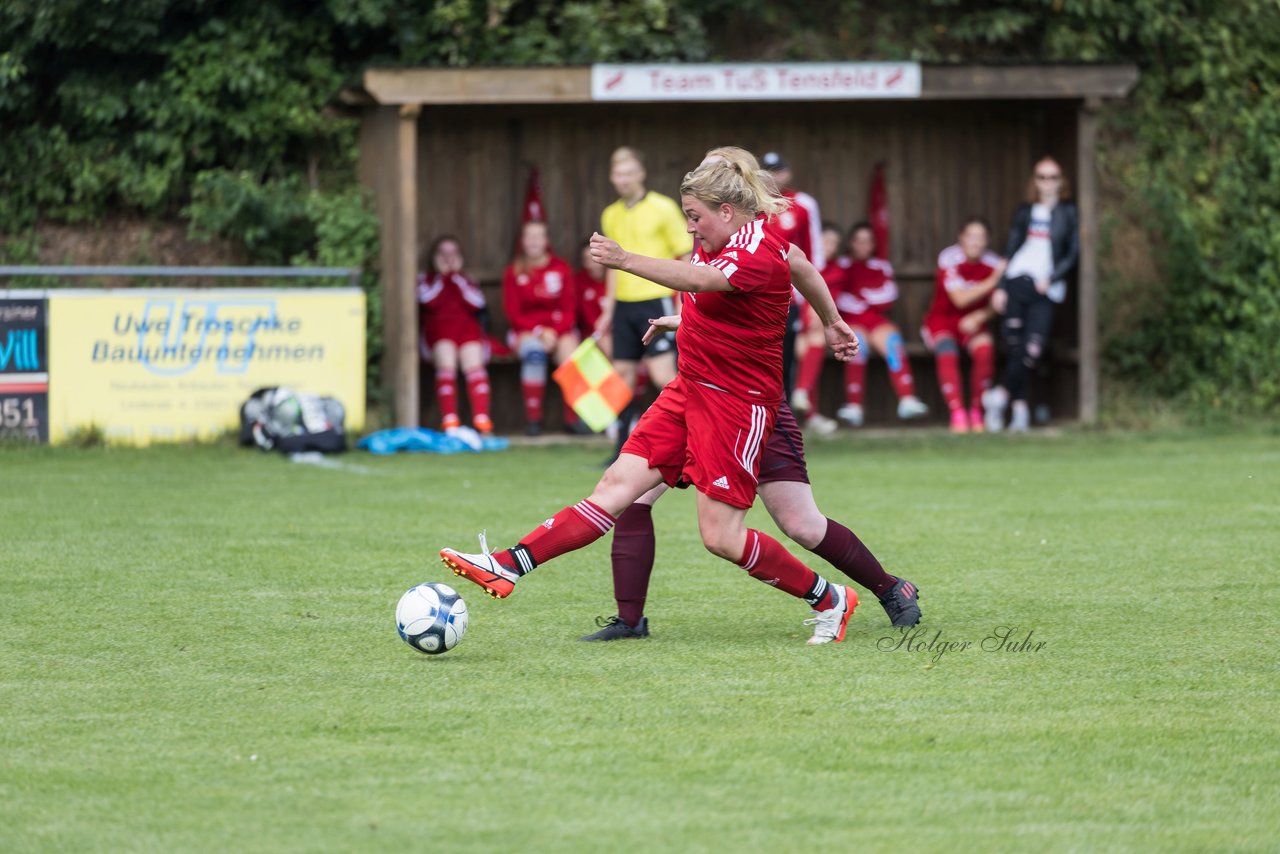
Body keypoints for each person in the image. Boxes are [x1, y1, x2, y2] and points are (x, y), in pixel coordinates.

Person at [442, 156, 864, 645]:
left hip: (736, 405)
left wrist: (624, 260)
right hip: (689, 389)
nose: (689, 227)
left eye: (694, 216)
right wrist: (830, 320)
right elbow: (785, 277)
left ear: (726, 210)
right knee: (617, 485)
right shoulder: (719, 238)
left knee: (721, 537)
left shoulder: (755, 248)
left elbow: (710, 281)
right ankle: (508, 565)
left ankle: (830, 597)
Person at [585, 149, 921, 642]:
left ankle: (892, 589)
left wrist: (831, 323)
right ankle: (630, 620)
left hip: (751, 403)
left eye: (713, 163)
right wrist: (686, 319)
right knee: (633, 493)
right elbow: (711, 293)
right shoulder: (706, 225)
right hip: (705, 397)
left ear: (728, 188)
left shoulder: (756, 233)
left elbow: (798, 268)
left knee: (801, 524)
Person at [596, 147, 693, 459]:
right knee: (620, 375)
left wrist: (683, 302)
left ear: (641, 173)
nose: (623, 179)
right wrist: (607, 311)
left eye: (628, 173)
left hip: (657, 299)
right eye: (617, 174)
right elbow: (611, 267)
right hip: (624, 304)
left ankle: (694, 436)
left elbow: (686, 256)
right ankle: (621, 447)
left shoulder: (663, 208)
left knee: (662, 375)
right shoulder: (610, 214)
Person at [984, 157, 1079, 433]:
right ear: (1034, 181)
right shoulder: (1025, 211)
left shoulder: (1068, 212)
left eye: (1052, 177)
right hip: (1017, 282)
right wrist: (1001, 286)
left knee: (1032, 348)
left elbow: (1072, 253)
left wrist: (1052, 278)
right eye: (1042, 177)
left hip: (1045, 288)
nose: (1047, 183)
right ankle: (1019, 411)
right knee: (1015, 347)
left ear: (1061, 181)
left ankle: (999, 396)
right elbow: (1011, 249)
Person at [839, 222, 929, 424]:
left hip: (875, 320)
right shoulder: (842, 265)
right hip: (850, 321)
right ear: (851, 243)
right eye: (859, 241)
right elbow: (836, 297)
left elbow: (889, 295)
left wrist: (862, 296)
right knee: (856, 343)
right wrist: (868, 299)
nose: (863, 245)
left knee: (893, 342)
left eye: (868, 241)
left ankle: (907, 399)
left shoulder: (881, 266)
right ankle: (854, 406)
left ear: (873, 244)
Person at [923, 218, 1006, 433]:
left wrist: (980, 316)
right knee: (947, 351)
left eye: (981, 238)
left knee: (985, 349)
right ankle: (957, 412)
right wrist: (994, 280)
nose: (976, 242)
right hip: (942, 320)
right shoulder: (949, 258)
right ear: (962, 237)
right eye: (971, 236)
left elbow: (999, 303)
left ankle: (977, 411)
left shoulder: (993, 262)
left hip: (973, 323)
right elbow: (959, 299)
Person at [502, 221, 582, 436]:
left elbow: (569, 308)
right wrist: (539, 332)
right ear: (523, 241)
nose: (534, 241)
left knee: (572, 356)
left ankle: (572, 420)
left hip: (559, 330)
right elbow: (513, 313)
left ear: (546, 241)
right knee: (534, 352)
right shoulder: (514, 270)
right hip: (526, 331)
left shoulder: (560, 267)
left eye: (539, 236)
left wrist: (554, 332)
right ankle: (534, 420)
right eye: (529, 237)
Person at [760, 151, 824, 404]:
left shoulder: (803, 203)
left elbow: (814, 252)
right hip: (756, 290)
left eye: (778, 171)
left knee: (785, 357)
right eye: (767, 171)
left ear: (787, 173)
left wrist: (809, 294)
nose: (773, 177)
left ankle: (785, 416)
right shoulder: (750, 203)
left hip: (791, 295)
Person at [417, 235, 492, 434]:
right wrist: (443, 277)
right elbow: (427, 300)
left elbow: (477, 303)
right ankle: (450, 420)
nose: (448, 258)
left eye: (453, 253)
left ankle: (482, 420)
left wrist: (455, 277)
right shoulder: (426, 279)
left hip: (466, 331)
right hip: (437, 332)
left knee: (473, 356)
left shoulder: (466, 279)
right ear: (434, 256)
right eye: (443, 253)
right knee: (445, 353)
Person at [792, 222, 854, 429]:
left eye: (835, 243)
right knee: (808, 349)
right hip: (790, 318)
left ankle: (805, 402)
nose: (830, 247)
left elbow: (825, 304)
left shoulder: (837, 272)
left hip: (813, 325)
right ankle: (807, 407)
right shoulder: (797, 261)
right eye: (826, 241)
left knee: (813, 342)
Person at [574, 238, 610, 358]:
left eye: (595, 258)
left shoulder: (614, 281)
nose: (592, 264)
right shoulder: (579, 282)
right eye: (587, 260)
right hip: (590, 335)